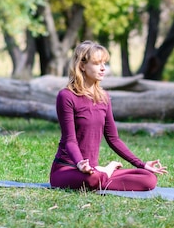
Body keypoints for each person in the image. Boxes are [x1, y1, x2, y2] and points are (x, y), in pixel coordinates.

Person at [50, 40, 167, 191]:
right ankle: (106, 171)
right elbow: (69, 140)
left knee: (148, 179)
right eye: (97, 63)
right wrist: (79, 163)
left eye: (104, 63)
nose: (103, 68)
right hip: (68, 169)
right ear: (82, 66)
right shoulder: (66, 96)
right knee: (93, 178)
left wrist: (141, 164)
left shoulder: (103, 97)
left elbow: (113, 139)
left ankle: (102, 173)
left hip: (91, 170)